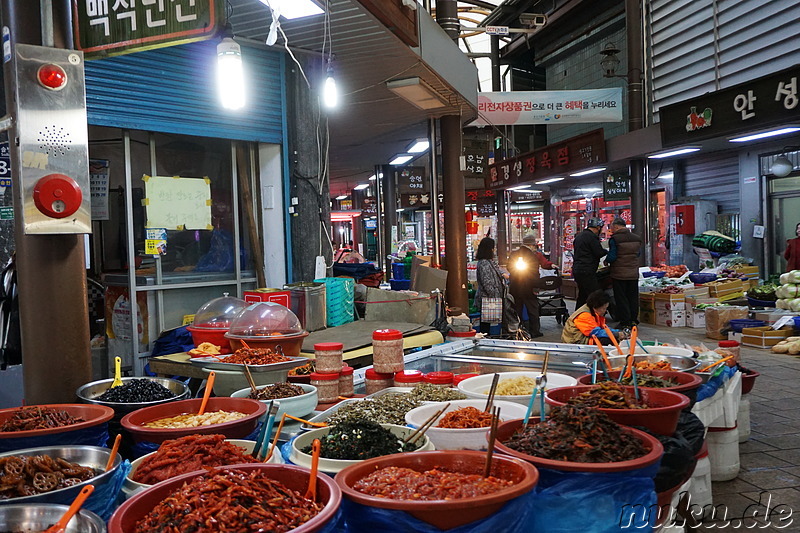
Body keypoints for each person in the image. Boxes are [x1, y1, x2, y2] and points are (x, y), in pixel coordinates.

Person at [606, 218, 642, 328]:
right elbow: (638, 254)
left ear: (616, 227)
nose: (611, 230)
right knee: (633, 297)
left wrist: (606, 260)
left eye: (612, 227)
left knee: (621, 298)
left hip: (619, 274)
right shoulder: (636, 238)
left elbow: (612, 256)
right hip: (633, 273)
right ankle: (633, 320)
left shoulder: (615, 239)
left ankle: (625, 322)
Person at [509, 235, 547, 338]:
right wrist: (536, 287)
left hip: (516, 286)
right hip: (529, 287)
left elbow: (509, 268)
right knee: (533, 309)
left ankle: (518, 330)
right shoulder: (532, 256)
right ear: (531, 245)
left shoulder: (514, 254)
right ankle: (535, 331)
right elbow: (535, 273)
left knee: (517, 309)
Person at [562, 290, 628, 345]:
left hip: (585, 336)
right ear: (596, 306)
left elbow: (604, 328)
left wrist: (619, 332)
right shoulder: (584, 315)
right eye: (604, 308)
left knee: (614, 337)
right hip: (576, 341)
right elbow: (596, 332)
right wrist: (616, 334)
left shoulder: (594, 312)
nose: (605, 311)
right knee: (607, 341)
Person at [572, 218, 608, 309]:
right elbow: (598, 252)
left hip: (577, 269)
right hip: (587, 269)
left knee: (583, 294)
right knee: (595, 295)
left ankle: (578, 315)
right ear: (597, 227)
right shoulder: (592, 237)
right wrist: (606, 251)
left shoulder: (579, 236)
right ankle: (595, 315)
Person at [475, 237, 507, 334]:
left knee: (487, 321)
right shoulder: (484, 263)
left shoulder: (489, 261)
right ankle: (486, 338)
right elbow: (486, 282)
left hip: (490, 297)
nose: (494, 250)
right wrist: (494, 295)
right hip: (488, 298)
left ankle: (487, 336)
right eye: (493, 248)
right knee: (486, 321)